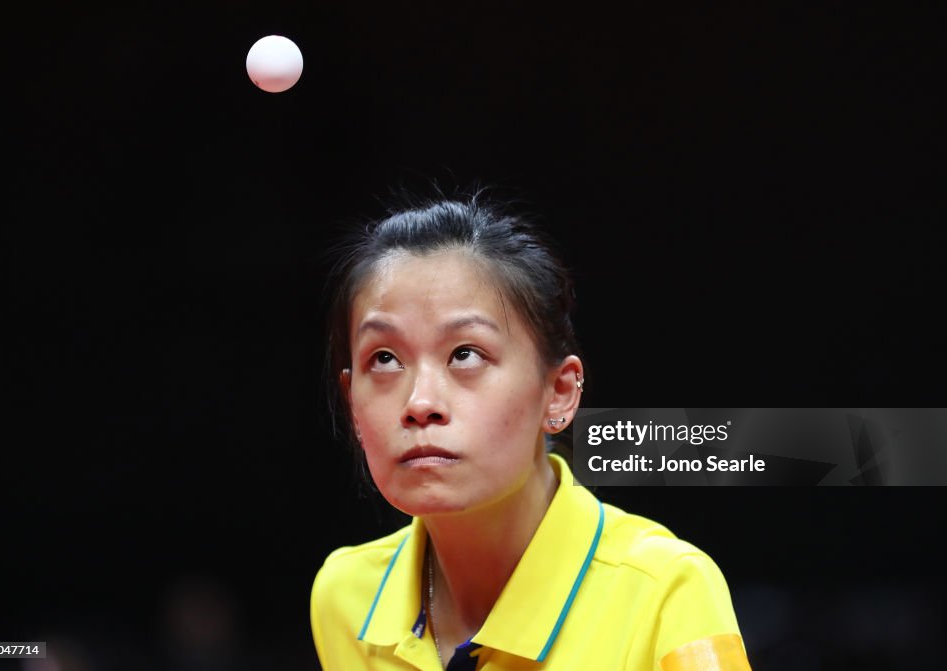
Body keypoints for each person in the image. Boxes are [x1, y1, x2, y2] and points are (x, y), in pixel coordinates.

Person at [310, 188, 751, 670]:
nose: (420, 404)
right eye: (385, 359)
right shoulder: (344, 598)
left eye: (465, 354)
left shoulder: (667, 592)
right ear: (352, 400)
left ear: (559, 392)